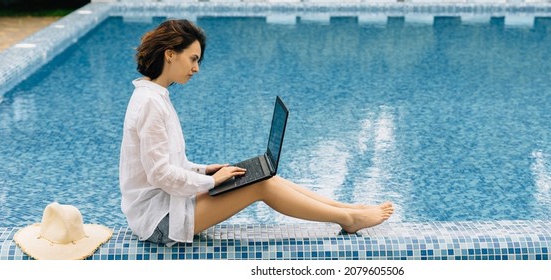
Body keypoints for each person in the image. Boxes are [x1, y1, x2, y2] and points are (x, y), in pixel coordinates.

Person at [119, 19, 394, 246]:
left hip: (170, 205)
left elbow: (166, 164)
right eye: (193, 59)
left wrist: (206, 171)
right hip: (160, 221)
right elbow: (160, 175)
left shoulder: (155, 96)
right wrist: (213, 183)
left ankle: (348, 209)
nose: (196, 68)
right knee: (262, 184)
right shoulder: (151, 103)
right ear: (170, 53)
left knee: (264, 174)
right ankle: (347, 218)